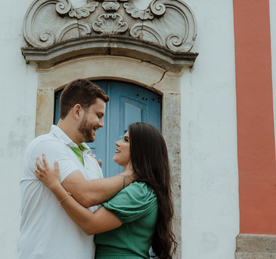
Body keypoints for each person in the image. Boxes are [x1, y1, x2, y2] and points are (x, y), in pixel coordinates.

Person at [18, 79, 135, 259]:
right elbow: (87, 195)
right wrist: (132, 175)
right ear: (78, 111)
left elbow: (95, 212)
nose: (102, 124)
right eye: (98, 115)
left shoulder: (90, 160)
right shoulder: (46, 145)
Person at [34, 121, 175, 259]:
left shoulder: (139, 192)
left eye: (126, 140)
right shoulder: (136, 188)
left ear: (141, 150)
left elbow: (90, 224)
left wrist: (55, 187)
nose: (117, 142)